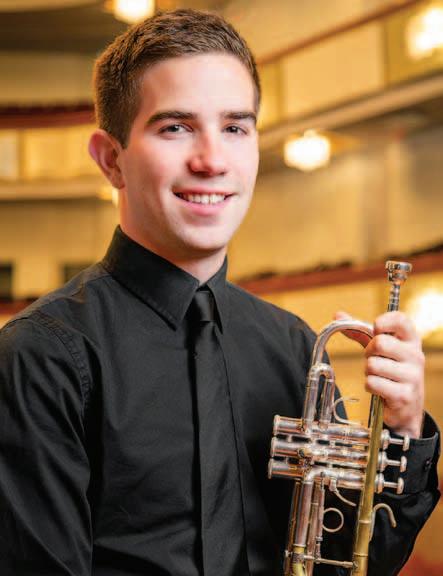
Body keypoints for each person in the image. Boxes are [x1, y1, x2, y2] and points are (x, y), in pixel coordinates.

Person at [0, 9, 439, 576]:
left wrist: (404, 428)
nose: (212, 160)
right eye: (175, 127)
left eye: (235, 127)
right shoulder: (41, 356)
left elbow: (351, 562)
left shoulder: (294, 346)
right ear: (112, 160)